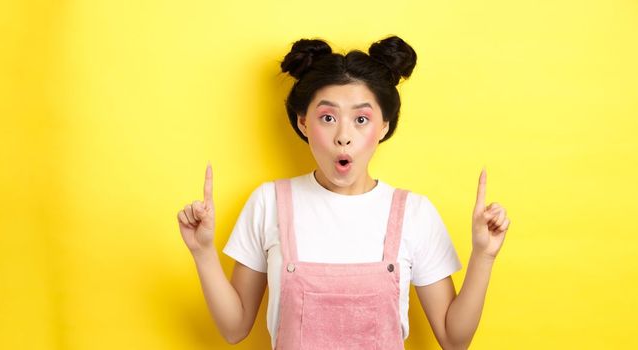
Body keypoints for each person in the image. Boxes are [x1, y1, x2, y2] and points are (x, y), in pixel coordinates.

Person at [176, 35, 511, 350]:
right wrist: (203, 252)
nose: (343, 136)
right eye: (327, 117)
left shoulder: (414, 213)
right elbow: (234, 330)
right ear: (303, 122)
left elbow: (455, 340)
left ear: (384, 127)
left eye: (361, 119)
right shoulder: (269, 202)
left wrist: (484, 256)